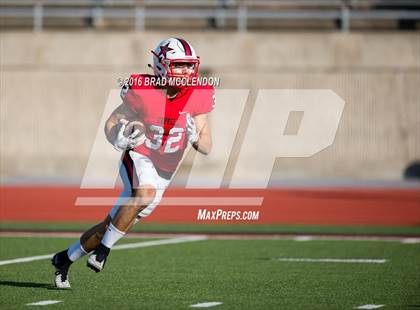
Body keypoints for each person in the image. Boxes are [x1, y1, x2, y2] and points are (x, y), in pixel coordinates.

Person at [51, 37, 215, 289]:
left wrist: (195, 137)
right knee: (144, 194)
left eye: (189, 65)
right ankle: (103, 253)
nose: (186, 72)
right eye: (179, 65)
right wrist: (119, 136)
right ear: (161, 65)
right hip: (139, 156)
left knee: (112, 223)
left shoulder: (198, 95)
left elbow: (207, 146)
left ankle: (64, 258)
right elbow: (111, 123)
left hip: (165, 171)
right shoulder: (143, 90)